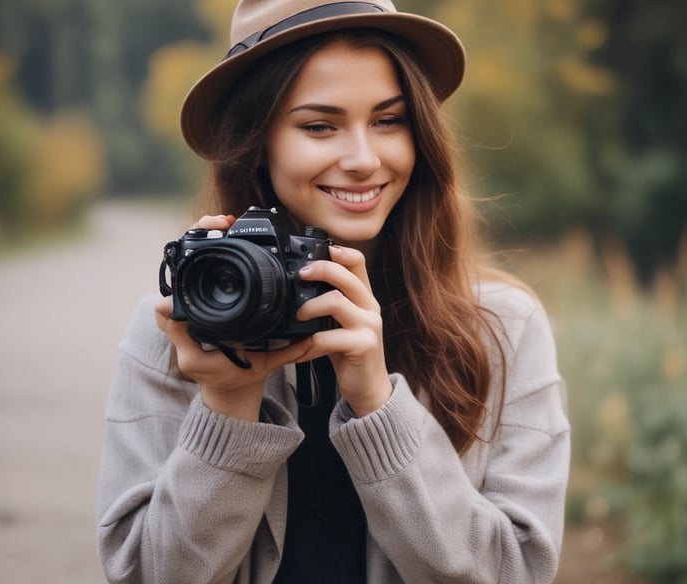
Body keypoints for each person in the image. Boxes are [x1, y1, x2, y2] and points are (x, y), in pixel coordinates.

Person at [96, 1, 570, 583]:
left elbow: (515, 572)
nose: (363, 159)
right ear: (256, 141)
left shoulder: (502, 329)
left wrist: (377, 402)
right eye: (319, 125)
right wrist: (227, 406)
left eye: (388, 120)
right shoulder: (176, 328)